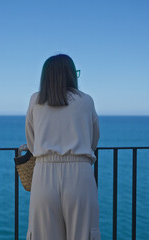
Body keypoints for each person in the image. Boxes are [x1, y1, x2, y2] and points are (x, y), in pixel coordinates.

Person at [25, 54, 100, 240]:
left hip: (43, 173)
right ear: (71, 74)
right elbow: (94, 139)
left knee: (42, 235)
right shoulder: (86, 100)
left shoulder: (36, 100)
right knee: (83, 234)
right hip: (80, 173)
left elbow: (31, 141)